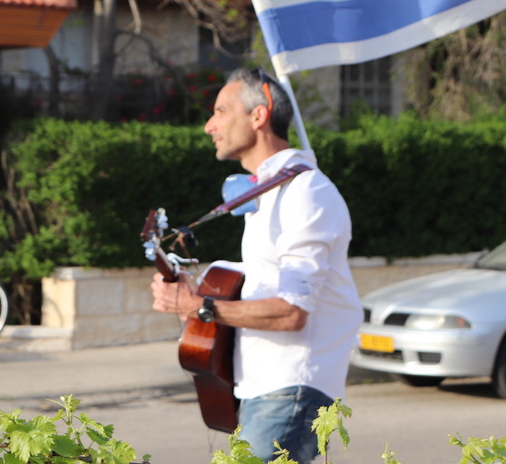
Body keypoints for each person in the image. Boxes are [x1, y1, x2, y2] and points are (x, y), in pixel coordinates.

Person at [151, 68, 361, 463]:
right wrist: (199, 291)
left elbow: (292, 311)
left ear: (258, 115)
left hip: (292, 387)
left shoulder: (305, 192)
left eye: (221, 111)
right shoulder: (271, 193)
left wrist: (196, 306)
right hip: (267, 388)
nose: (208, 126)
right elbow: (266, 285)